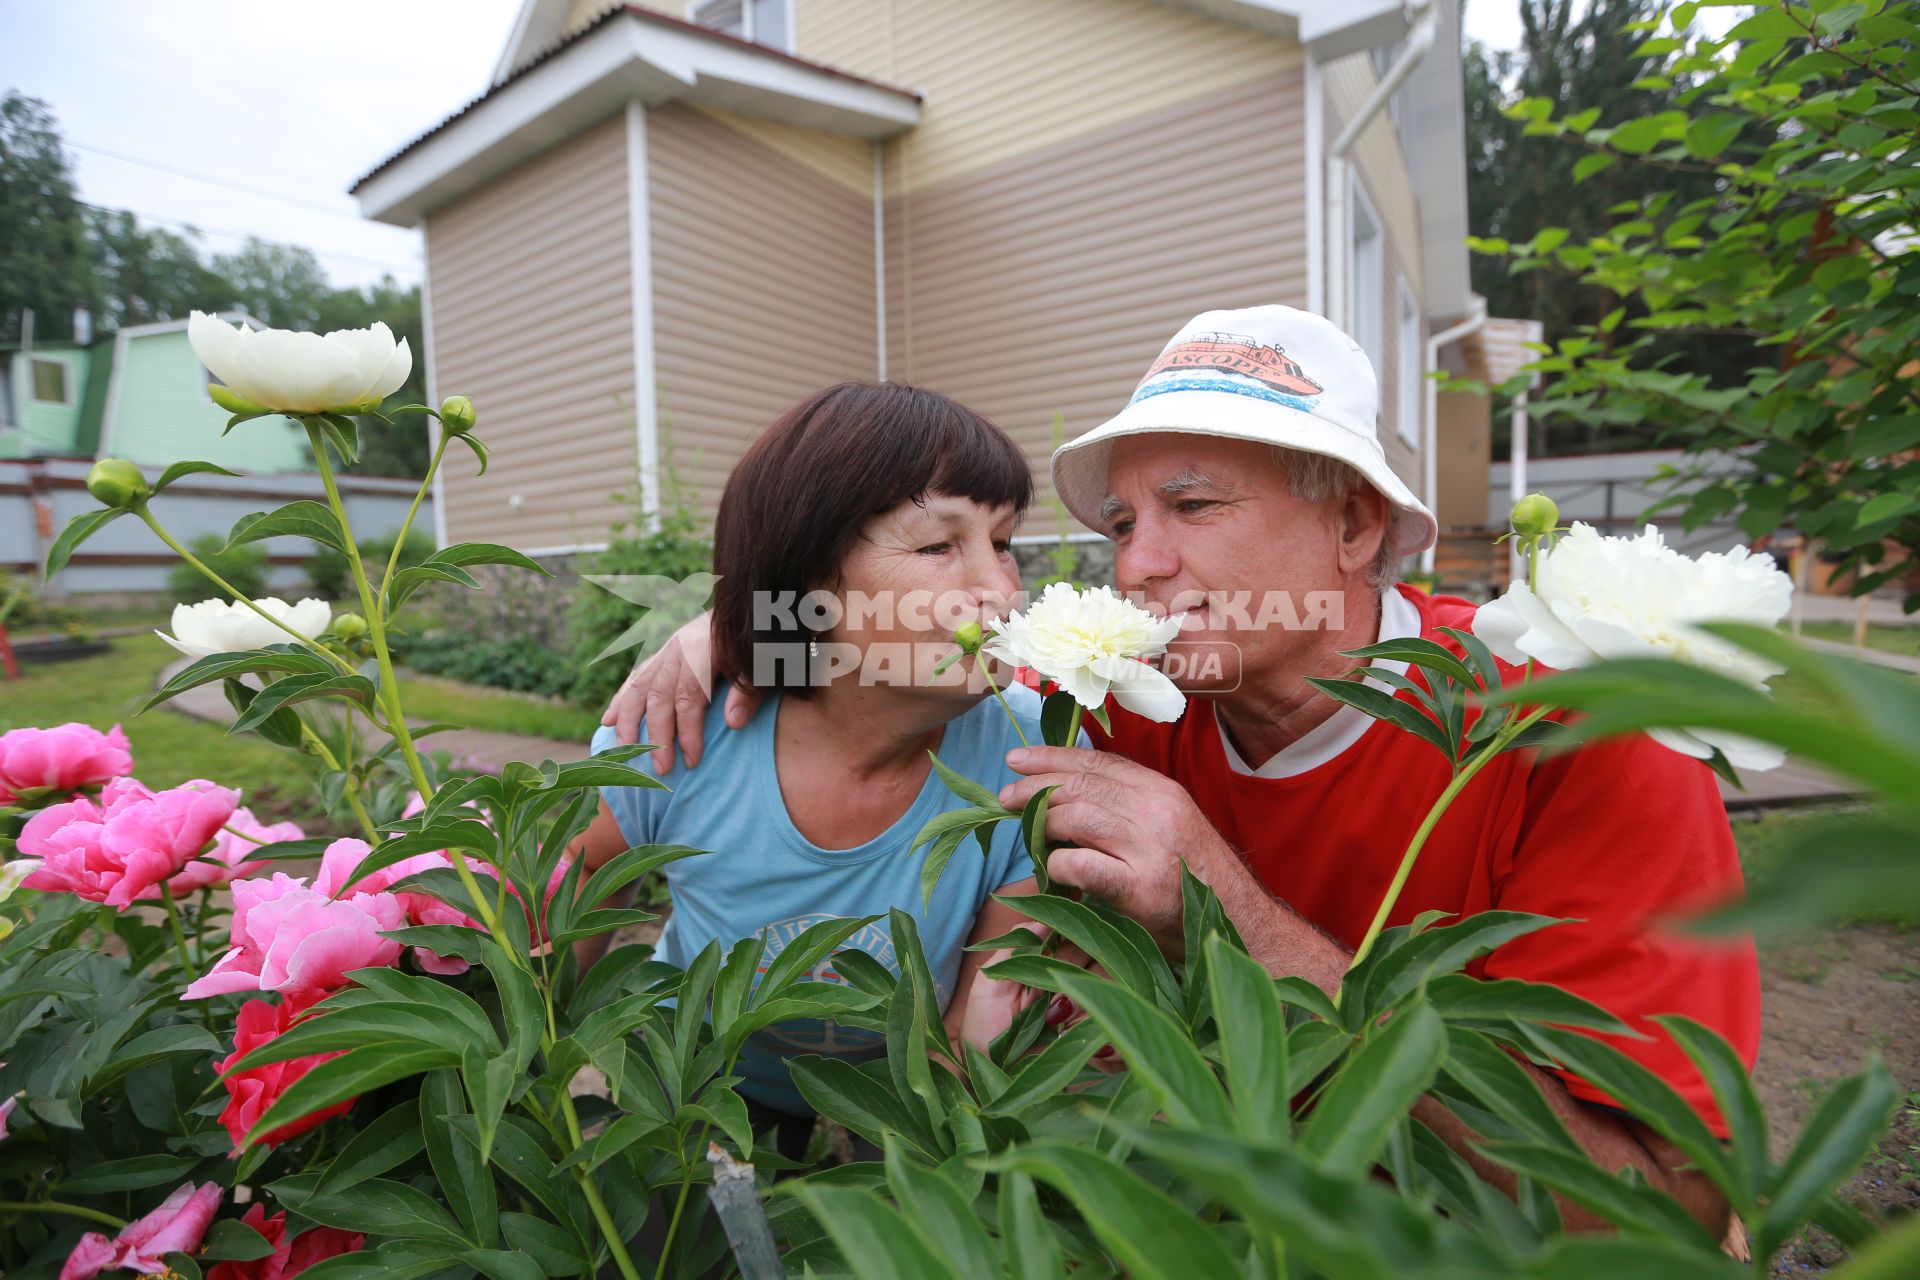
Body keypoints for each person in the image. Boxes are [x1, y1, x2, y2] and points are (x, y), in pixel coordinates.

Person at [601, 307, 1759, 1238]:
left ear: (1355, 524)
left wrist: (1233, 915)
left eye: (1192, 505)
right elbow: (900, 654)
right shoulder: (1111, 708)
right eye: (1120, 520)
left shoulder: (1572, 737)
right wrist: (749, 630)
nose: (1140, 566)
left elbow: (1662, 1222)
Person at [571, 381, 1049, 1157]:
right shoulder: (681, 732)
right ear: (808, 584)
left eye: (1003, 542)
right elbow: (559, 928)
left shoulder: (1028, 759)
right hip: (699, 1074)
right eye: (936, 546)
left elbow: (974, 1036)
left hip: (904, 1077)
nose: (997, 589)